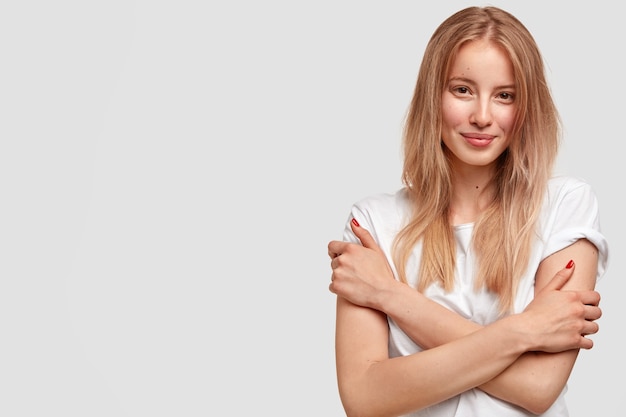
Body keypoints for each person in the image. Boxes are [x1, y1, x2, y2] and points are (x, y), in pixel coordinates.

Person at [327, 6, 609, 417]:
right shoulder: (374, 223)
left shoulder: (565, 205)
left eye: (504, 95)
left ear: (526, 107)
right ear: (433, 96)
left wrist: (390, 295)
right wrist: (524, 330)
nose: (481, 116)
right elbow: (364, 398)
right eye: (462, 89)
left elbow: (538, 387)